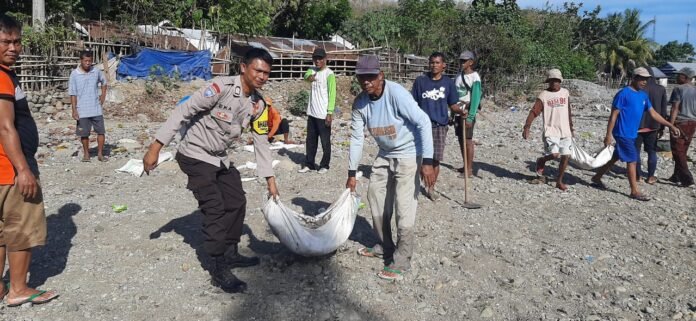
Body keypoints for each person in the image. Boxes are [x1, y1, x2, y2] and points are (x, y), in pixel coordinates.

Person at [142, 48, 279, 293]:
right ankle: (217, 267)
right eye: (258, 70)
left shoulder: (258, 104)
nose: (262, 76)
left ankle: (230, 251)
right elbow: (184, 111)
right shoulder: (219, 87)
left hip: (219, 157)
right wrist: (156, 146)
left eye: (266, 73)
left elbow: (260, 140)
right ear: (243, 68)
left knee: (236, 201)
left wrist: (270, 179)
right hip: (194, 154)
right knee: (214, 208)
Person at [346, 55, 435, 281]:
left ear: (381, 75)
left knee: (404, 206)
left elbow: (423, 122)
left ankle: (402, 259)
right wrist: (351, 173)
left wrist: (427, 161)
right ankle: (384, 245)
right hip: (385, 155)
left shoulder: (396, 94)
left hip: (408, 154)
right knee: (375, 196)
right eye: (361, 77)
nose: (366, 81)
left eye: (371, 77)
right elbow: (357, 139)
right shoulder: (360, 104)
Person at [0, 13, 59, 307]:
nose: (13, 47)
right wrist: (23, 169)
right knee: (20, 229)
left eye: (17, 41)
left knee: (0, 233)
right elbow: (5, 126)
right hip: (10, 169)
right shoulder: (1, 76)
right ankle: (18, 288)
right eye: (6, 41)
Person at [591, 67, 681, 201]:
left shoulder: (643, 95)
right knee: (632, 160)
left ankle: (597, 177)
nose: (644, 82)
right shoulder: (623, 94)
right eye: (641, 79)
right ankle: (634, 191)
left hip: (632, 133)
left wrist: (670, 125)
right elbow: (613, 115)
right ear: (634, 78)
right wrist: (608, 135)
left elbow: (653, 113)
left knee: (615, 157)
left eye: (646, 79)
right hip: (622, 133)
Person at [411, 52, 459, 201]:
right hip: (421, 126)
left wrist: (462, 111)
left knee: (435, 159)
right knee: (420, 157)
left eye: (437, 63)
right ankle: (418, 184)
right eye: (432, 62)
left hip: (440, 126)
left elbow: (453, 105)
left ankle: (431, 188)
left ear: (444, 65)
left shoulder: (448, 83)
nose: (434, 65)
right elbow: (413, 104)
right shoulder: (420, 81)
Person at [522, 69, 574, 191]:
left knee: (566, 156)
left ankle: (559, 181)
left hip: (565, 130)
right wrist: (527, 126)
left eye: (557, 81)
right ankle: (542, 160)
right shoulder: (544, 95)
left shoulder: (565, 93)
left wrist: (571, 128)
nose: (555, 83)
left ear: (560, 81)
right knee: (554, 154)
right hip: (551, 130)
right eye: (552, 81)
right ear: (548, 82)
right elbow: (534, 111)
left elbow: (568, 111)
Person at [299, 48, 336, 174]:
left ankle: (324, 165)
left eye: (320, 58)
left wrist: (330, 112)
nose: (317, 61)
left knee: (325, 142)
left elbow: (332, 94)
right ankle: (309, 164)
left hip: (323, 113)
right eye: (315, 58)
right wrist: (309, 77)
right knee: (310, 140)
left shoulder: (329, 74)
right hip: (312, 113)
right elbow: (305, 77)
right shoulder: (312, 70)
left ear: (325, 59)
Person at [69, 50, 108, 162]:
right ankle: (86, 154)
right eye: (85, 61)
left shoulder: (96, 72)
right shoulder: (74, 74)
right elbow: (73, 93)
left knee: (101, 132)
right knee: (84, 134)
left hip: (96, 108)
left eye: (90, 61)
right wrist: (74, 110)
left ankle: (100, 154)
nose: (88, 63)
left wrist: (103, 96)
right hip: (82, 110)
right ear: (81, 60)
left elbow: (104, 82)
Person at [635, 67, 668, 185]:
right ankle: (650, 177)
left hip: (637, 126)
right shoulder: (661, 89)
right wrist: (662, 127)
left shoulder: (638, 89)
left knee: (636, 151)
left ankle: (638, 176)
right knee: (652, 152)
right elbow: (663, 110)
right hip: (654, 126)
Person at [454, 50, 482, 178]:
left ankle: (469, 169)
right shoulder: (459, 75)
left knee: (468, 141)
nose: (461, 63)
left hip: (467, 112)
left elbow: (475, 98)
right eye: (460, 60)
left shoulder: (475, 78)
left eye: (464, 61)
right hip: (458, 111)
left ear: (471, 62)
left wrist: (471, 116)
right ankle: (465, 165)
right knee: (461, 139)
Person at [667, 67, 696, 187]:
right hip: (693, 123)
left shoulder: (678, 89)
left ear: (684, 77)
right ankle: (676, 175)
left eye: (679, 75)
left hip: (681, 122)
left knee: (677, 151)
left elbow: (675, 108)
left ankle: (687, 178)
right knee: (683, 150)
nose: (677, 77)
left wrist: (671, 124)